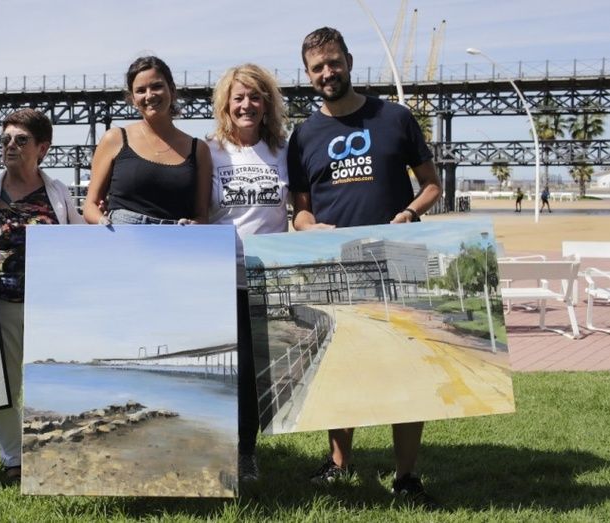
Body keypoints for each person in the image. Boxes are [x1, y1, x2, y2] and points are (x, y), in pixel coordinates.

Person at [287, 27, 442, 504]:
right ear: (309, 75)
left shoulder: (394, 118)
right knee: (338, 366)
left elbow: (432, 185)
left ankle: (406, 475)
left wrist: (410, 213)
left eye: (334, 62)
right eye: (318, 68)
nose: (327, 73)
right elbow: (301, 209)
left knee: (406, 367)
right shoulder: (303, 135)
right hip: (336, 266)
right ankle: (339, 464)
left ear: (349, 61)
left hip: (396, 258)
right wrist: (306, 228)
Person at [0, 109, 83, 483]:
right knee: (7, 386)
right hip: (2, 306)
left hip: (48, 307)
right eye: (5, 138)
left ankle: (53, 453)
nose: (10, 145)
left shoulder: (57, 193)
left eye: (21, 140)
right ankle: (13, 460)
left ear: (43, 148)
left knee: (52, 379)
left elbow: (78, 239)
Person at [207, 64, 289, 482]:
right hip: (220, 278)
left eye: (255, 97)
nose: (247, 104)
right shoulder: (210, 151)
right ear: (225, 103)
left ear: (267, 104)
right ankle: (220, 447)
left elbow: (303, 207)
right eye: (239, 97)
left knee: (256, 374)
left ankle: (246, 452)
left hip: (266, 277)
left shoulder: (282, 151)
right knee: (229, 372)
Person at [82, 56, 211, 225]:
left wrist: (194, 226)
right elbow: (90, 205)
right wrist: (103, 222)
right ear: (133, 99)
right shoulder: (114, 139)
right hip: (122, 236)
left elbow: (202, 215)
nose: (149, 95)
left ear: (171, 90)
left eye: (157, 86)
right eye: (141, 90)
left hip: (176, 240)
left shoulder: (198, 149)